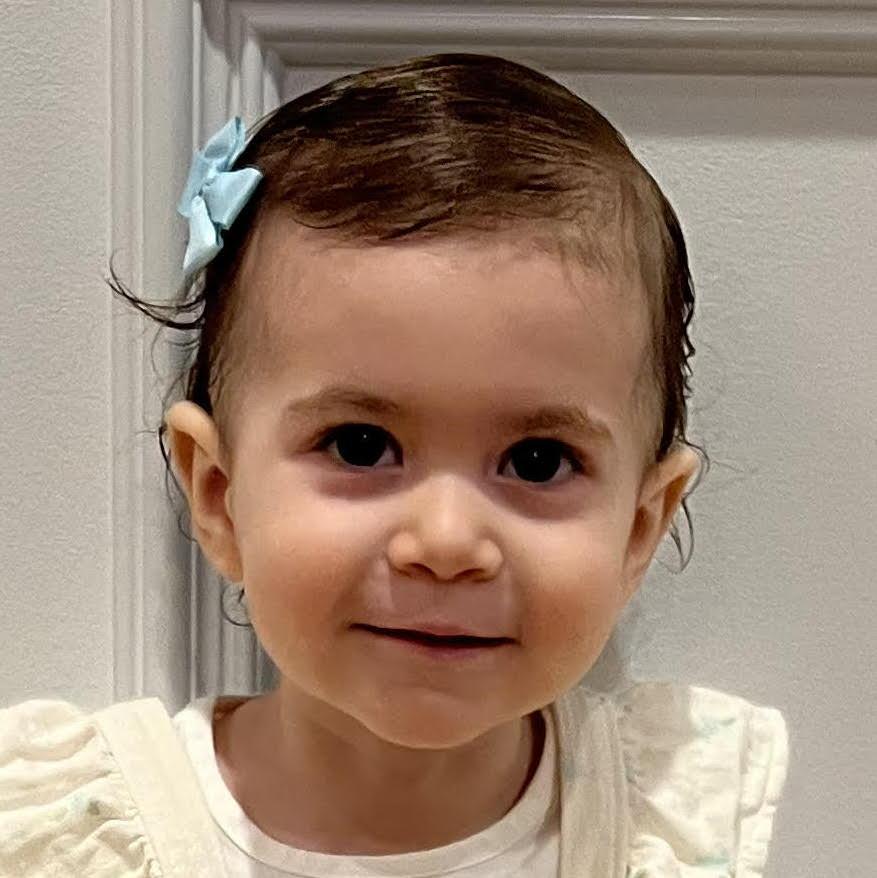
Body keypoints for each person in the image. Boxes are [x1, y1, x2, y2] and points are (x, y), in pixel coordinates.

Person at [0, 53, 789, 877]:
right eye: (360, 446)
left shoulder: (668, 826)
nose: (445, 543)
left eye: (536, 461)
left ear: (637, 528)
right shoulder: (81, 833)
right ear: (219, 494)